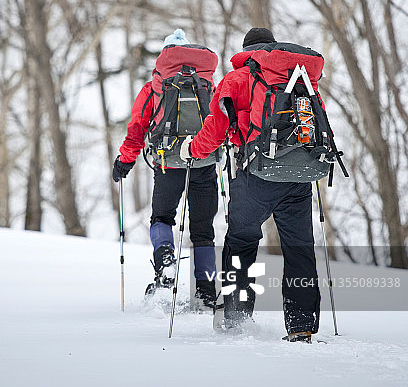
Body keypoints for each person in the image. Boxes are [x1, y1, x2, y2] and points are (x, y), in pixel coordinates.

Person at [180, 27, 321, 342]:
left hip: (254, 175)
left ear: (246, 49)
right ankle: (301, 326)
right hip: (299, 176)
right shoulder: (299, 76)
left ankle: (236, 316)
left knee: (241, 243)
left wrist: (192, 150)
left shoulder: (238, 79)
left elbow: (215, 129)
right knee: (299, 250)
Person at [112, 29, 219, 309]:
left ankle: (166, 265)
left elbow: (136, 129)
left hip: (167, 161)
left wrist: (125, 160)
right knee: (203, 230)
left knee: (162, 217)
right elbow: (222, 121)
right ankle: (207, 292)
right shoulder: (207, 84)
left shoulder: (155, 87)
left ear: (164, 56)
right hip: (204, 162)